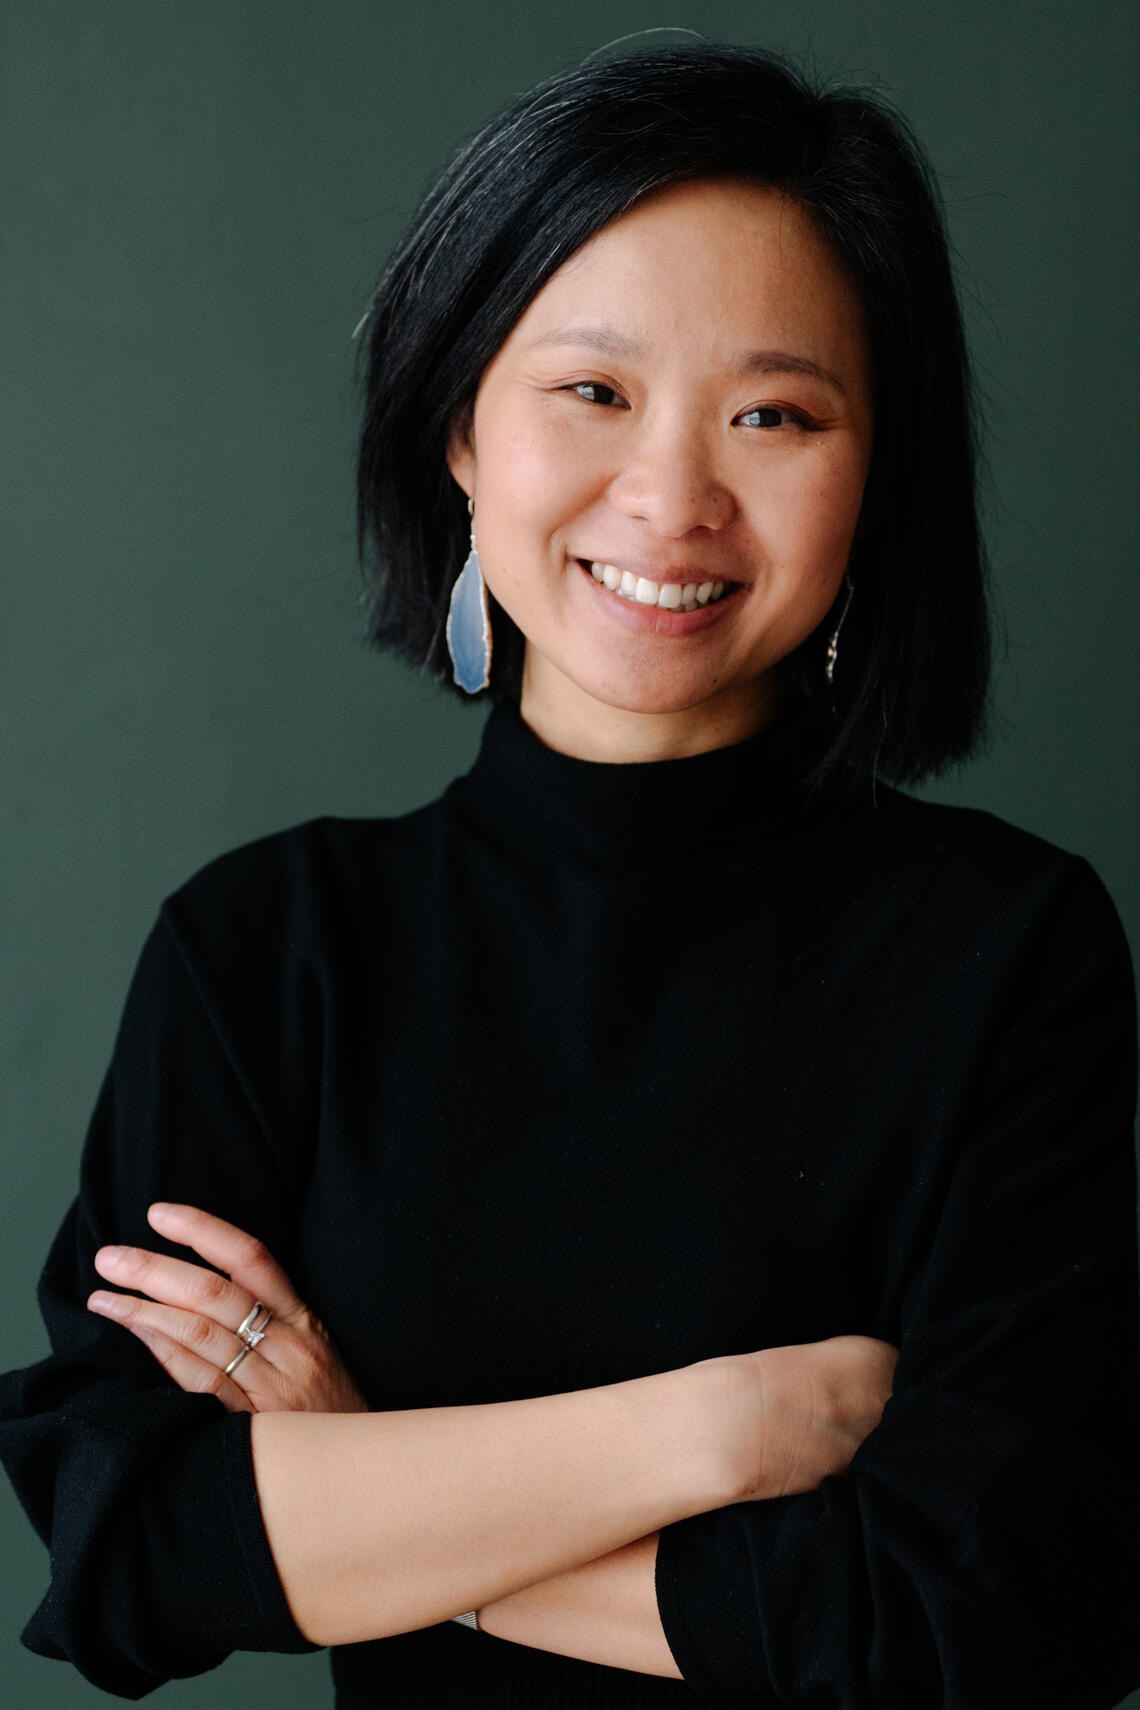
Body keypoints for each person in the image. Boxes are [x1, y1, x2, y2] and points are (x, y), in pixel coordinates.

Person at [2, 38, 1138, 1710]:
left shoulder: (1011, 950)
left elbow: (977, 1619)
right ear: (461, 427)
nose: (672, 496)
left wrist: (376, 1495)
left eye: (774, 412)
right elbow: (130, 1544)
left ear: (874, 473)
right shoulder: (265, 953)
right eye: (592, 392)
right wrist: (716, 1431)